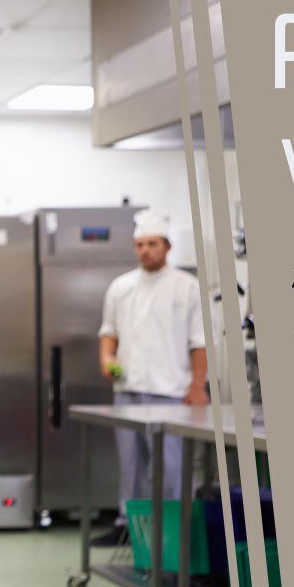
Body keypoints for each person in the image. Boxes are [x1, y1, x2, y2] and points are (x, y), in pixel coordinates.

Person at [99, 209, 209, 523]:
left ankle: (175, 533)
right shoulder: (121, 287)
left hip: (171, 394)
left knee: (172, 471)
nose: (145, 251)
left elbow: (199, 342)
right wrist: (107, 360)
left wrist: (197, 387)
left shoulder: (187, 287)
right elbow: (109, 333)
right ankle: (130, 528)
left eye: (152, 244)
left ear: (167, 247)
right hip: (128, 391)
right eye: (140, 245)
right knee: (130, 467)